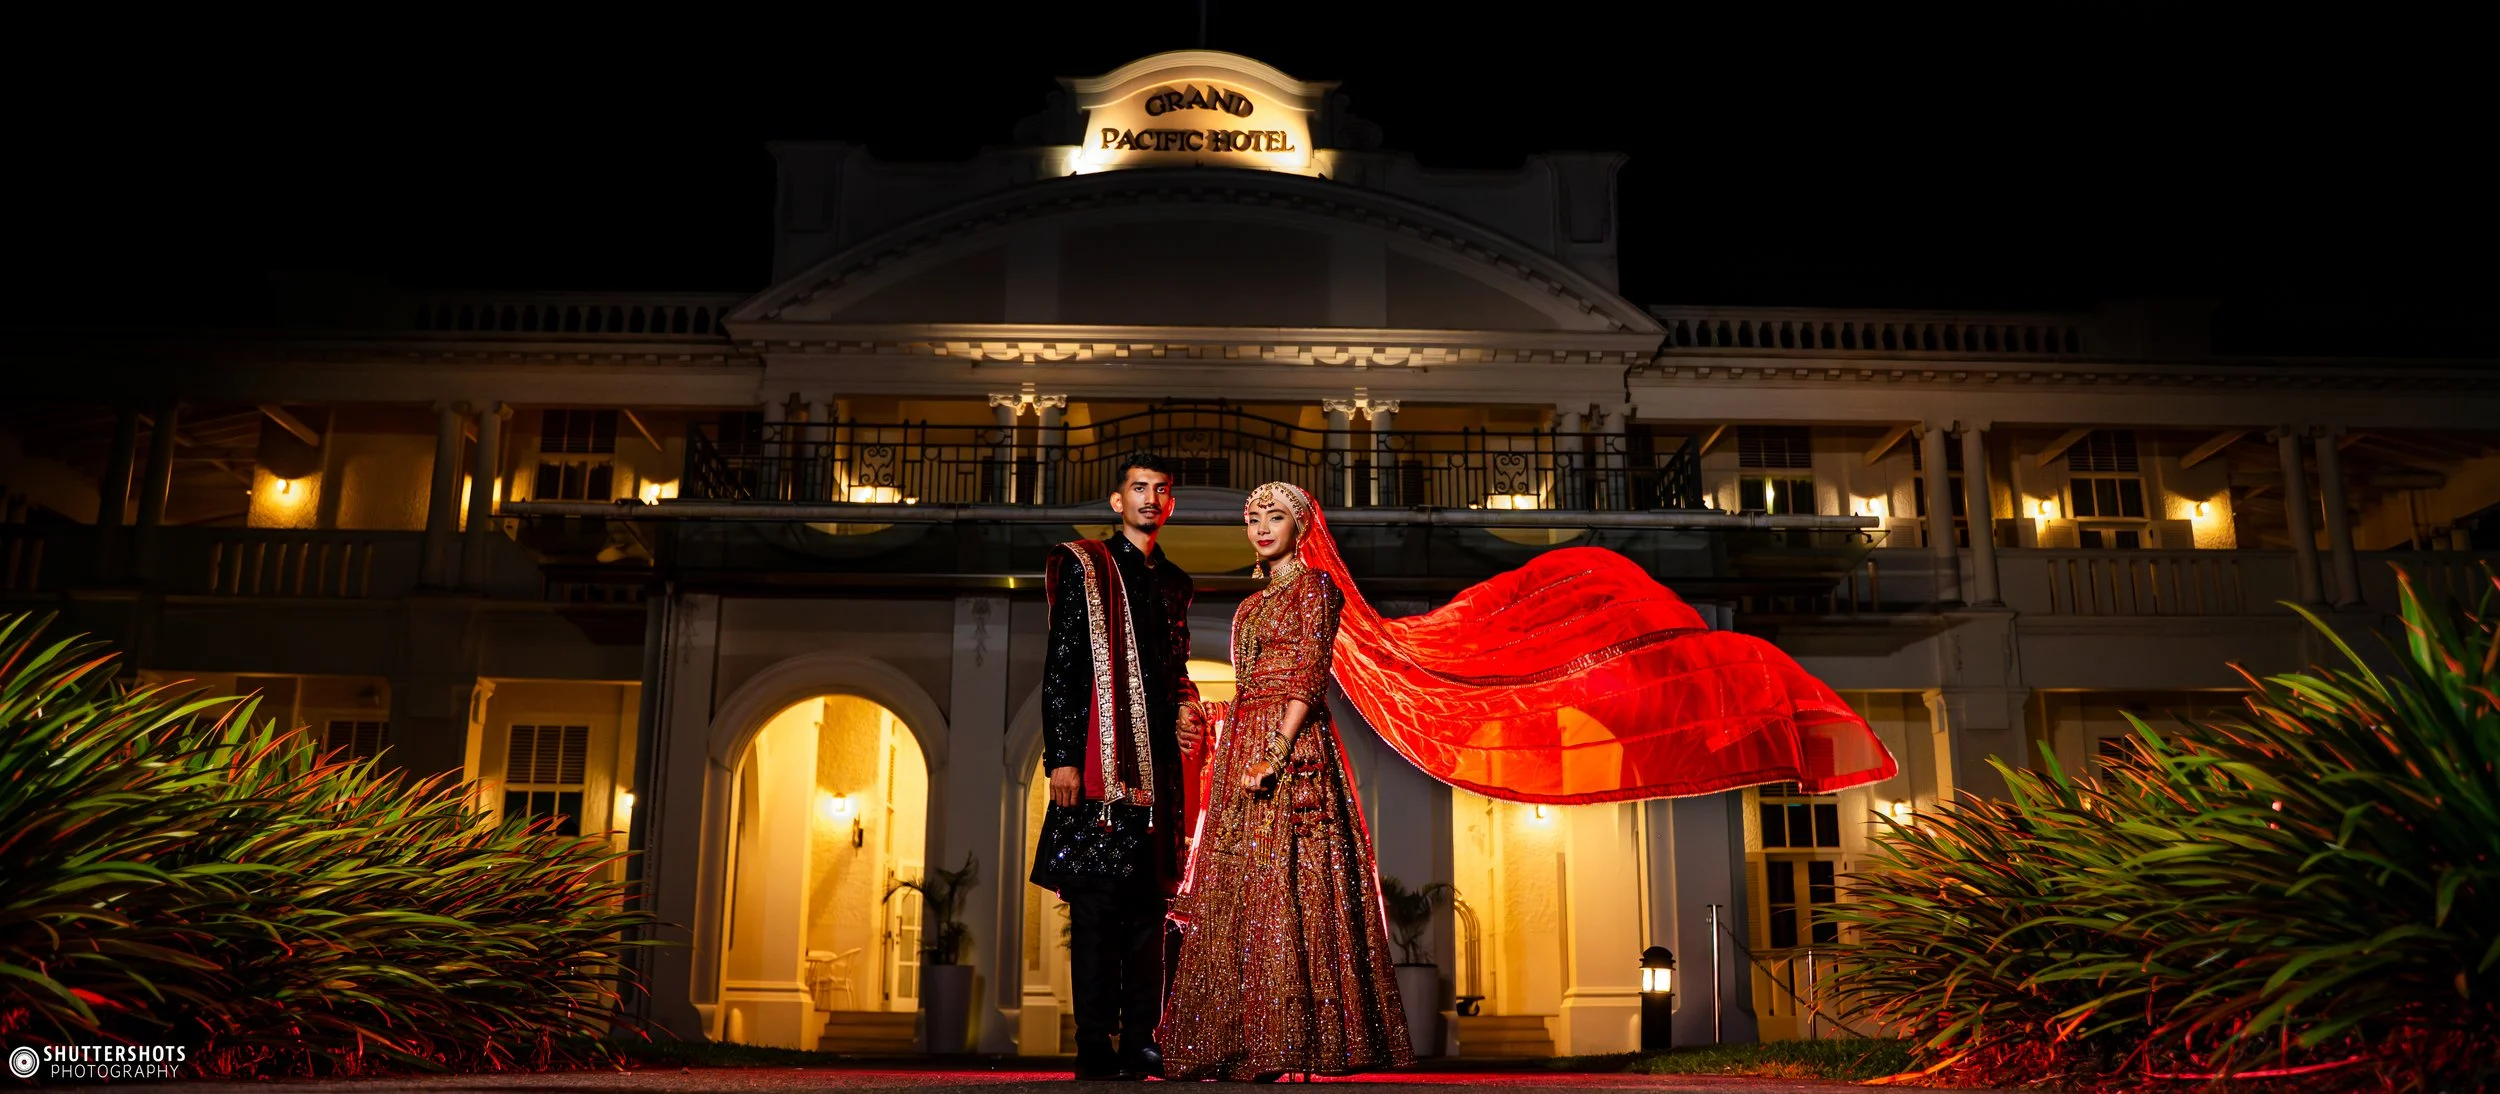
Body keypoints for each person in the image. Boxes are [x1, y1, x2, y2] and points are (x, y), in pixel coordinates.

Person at [1160, 482, 1414, 1083]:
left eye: (1276, 517)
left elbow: (1307, 673)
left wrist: (1275, 752)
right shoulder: (1249, 607)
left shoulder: (1316, 588)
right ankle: (1233, 1040)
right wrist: (1210, 717)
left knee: (1291, 883)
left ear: (1302, 526)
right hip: (1245, 745)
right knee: (1241, 889)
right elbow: (1249, 688)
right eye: (1253, 519)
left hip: (1293, 746)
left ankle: (1297, 1041)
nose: (1263, 528)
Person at [1028, 452, 1208, 1082]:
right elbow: (1063, 668)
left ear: (1171, 505)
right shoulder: (1087, 567)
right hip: (1097, 765)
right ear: (1117, 501)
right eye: (1139, 489)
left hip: (1157, 769)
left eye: (1161, 491)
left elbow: (1177, 668)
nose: (1150, 499)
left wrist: (1187, 709)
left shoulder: (1175, 581)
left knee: (1148, 908)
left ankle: (1141, 1041)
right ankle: (1093, 1043)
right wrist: (1063, 759)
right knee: (1098, 907)